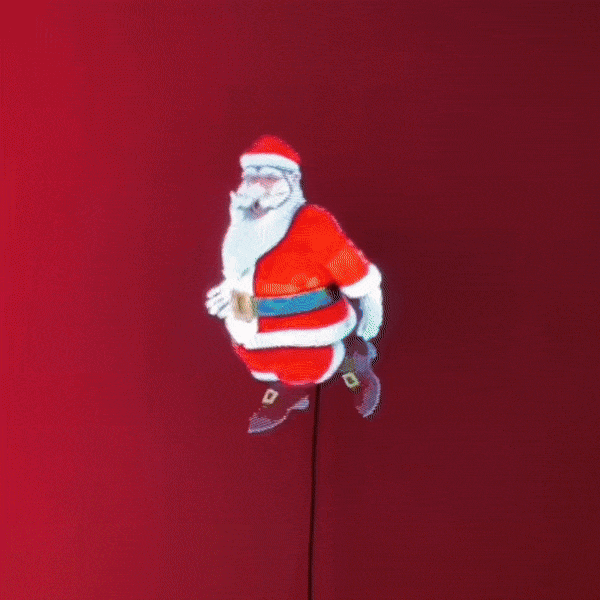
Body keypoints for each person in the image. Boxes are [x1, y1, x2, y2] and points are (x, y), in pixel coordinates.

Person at [206, 136, 383, 433]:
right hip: (253, 321)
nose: (256, 184)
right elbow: (239, 272)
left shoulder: (313, 223)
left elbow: (350, 268)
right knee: (257, 359)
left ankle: (354, 366)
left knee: (311, 363)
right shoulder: (241, 224)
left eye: (268, 175)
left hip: (312, 322)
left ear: (290, 181)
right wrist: (233, 296)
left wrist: (369, 300)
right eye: (251, 176)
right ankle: (292, 390)